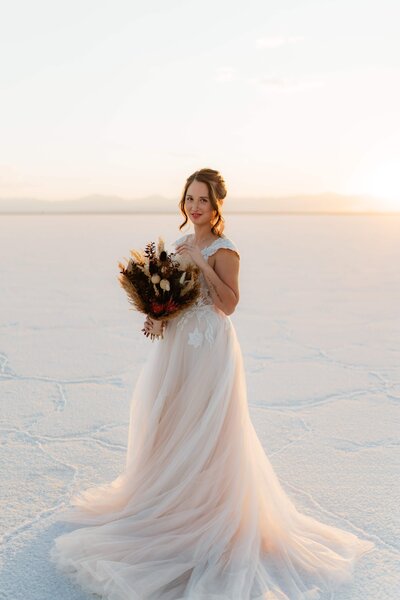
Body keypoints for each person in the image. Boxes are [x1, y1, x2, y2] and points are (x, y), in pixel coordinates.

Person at [50, 168, 374, 599]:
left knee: (207, 426)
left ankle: (207, 508)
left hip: (210, 347)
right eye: (189, 198)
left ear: (216, 205)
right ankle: (166, 497)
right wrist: (158, 312)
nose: (194, 207)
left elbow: (229, 304)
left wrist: (203, 262)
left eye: (203, 200)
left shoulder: (226, 249)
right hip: (178, 345)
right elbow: (177, 295)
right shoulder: (179, 242)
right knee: (171, 419)